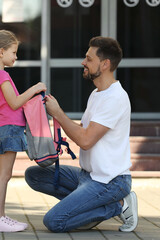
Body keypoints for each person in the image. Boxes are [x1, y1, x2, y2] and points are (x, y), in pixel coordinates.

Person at [25, 36, 138, 233]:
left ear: (105, 64)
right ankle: (87, 206)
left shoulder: (115, 98)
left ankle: (118, 205)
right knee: (34, 175)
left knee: (54, 221)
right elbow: (84, 132)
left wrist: (58, 113)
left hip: (109, 182)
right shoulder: (97, 94)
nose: (83, 62)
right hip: (88, 176)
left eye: (89, 58)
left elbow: (85, 140)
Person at [0, 30, 47, 232]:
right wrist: (35, 88)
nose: (16, 56)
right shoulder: (0, 74)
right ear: (1, 52)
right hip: (8, 129)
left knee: (5, 175)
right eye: (13, 52)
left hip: (8, 128)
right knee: (4, 175)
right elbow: (15, 102)